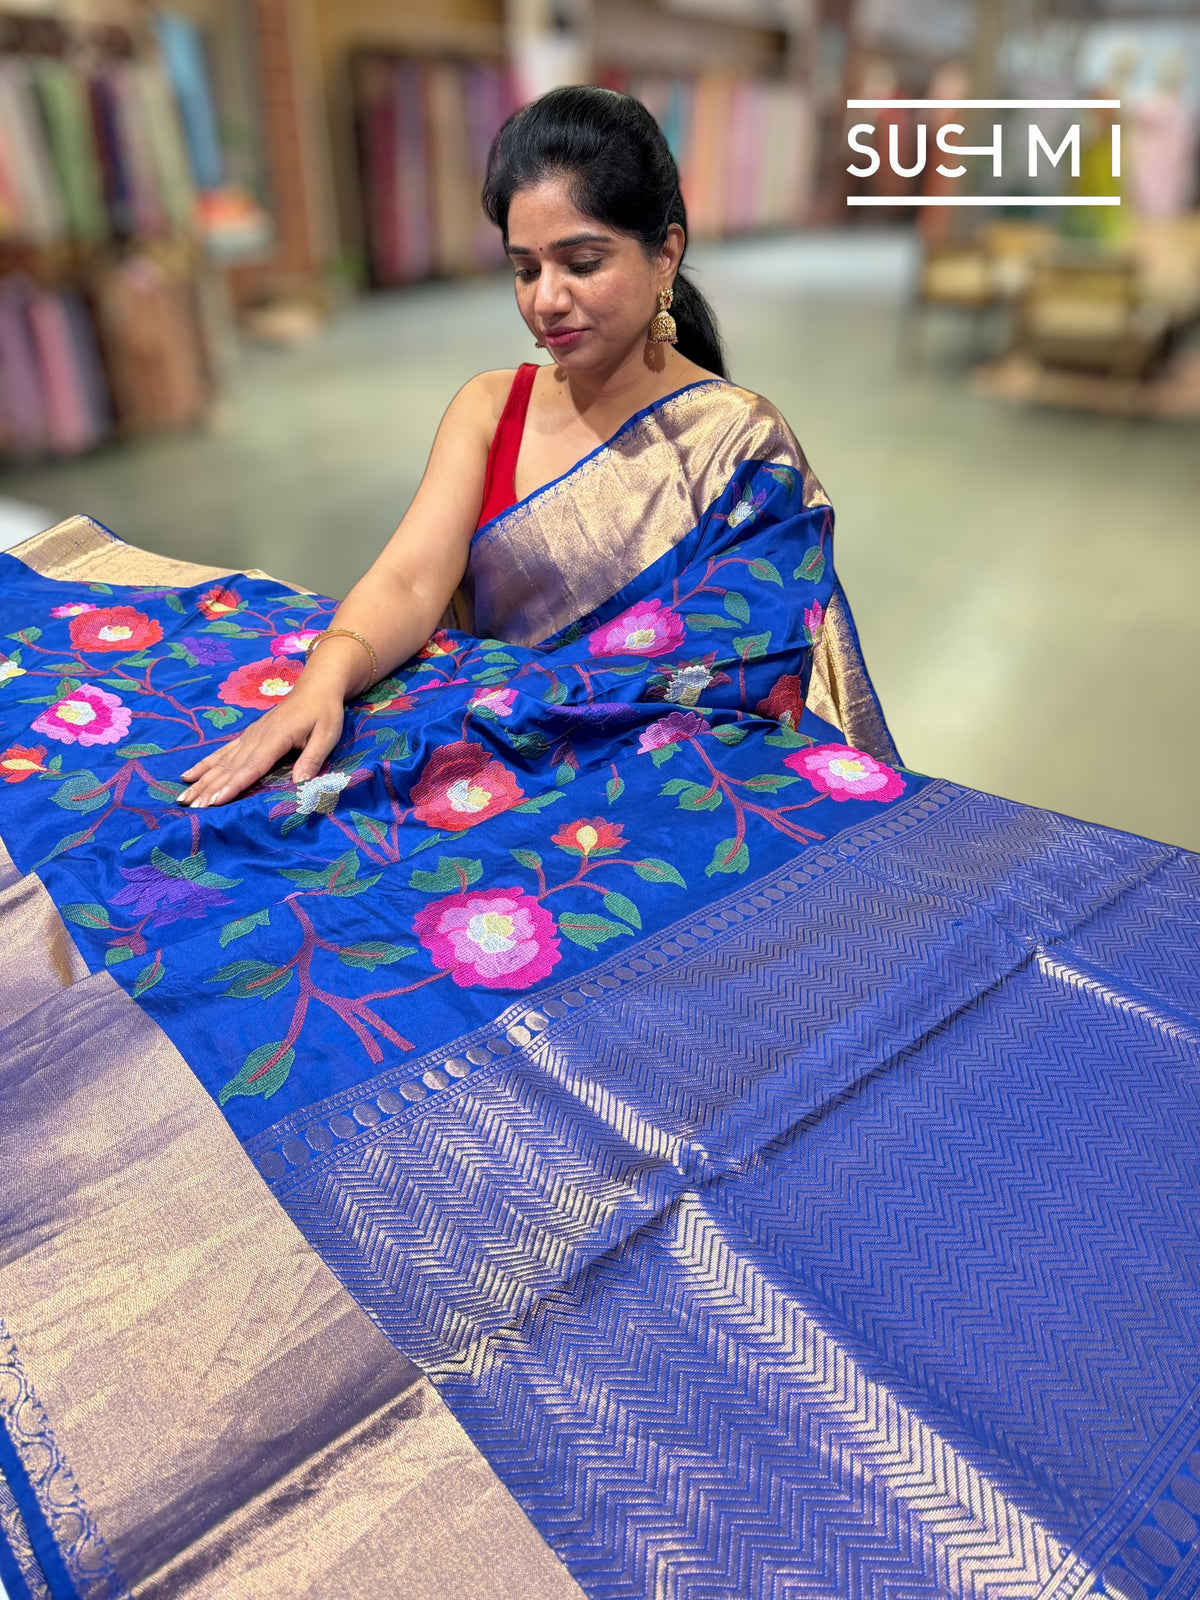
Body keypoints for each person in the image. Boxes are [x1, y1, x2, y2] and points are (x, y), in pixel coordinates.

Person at [3, 86, 1200, 1600]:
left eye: (584, 260)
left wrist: (527, 721)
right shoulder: (490, 412)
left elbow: (741, 671)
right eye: (523, 265)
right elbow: (409, 578)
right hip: (494, 800)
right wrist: (324, 678)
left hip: (632, 796)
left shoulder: (733, 444)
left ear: (666, 251)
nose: (550, 298)